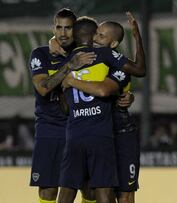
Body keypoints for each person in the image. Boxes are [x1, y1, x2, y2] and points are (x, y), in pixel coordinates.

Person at [58, 16, 145, 203]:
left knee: (124, 192)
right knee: (95, 188)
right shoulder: (83, 60)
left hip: (120, 131)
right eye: (95, 34)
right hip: (99, 131)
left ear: (113, 43)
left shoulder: (112, 61)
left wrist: (70, 80)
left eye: (101, 36)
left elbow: (110, 87)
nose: (96, 39)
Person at [28, 8, 97, 203]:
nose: (63, 33)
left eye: (68, 28)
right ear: (53, 28)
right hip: (50, 128)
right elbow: (43, 88)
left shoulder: (84, 54)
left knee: (90, 189)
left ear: (76, 30)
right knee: (48, 191)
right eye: (59, 27)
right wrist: (69, 65)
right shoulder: (40, 54)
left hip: (80, 127)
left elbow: (102, 36)